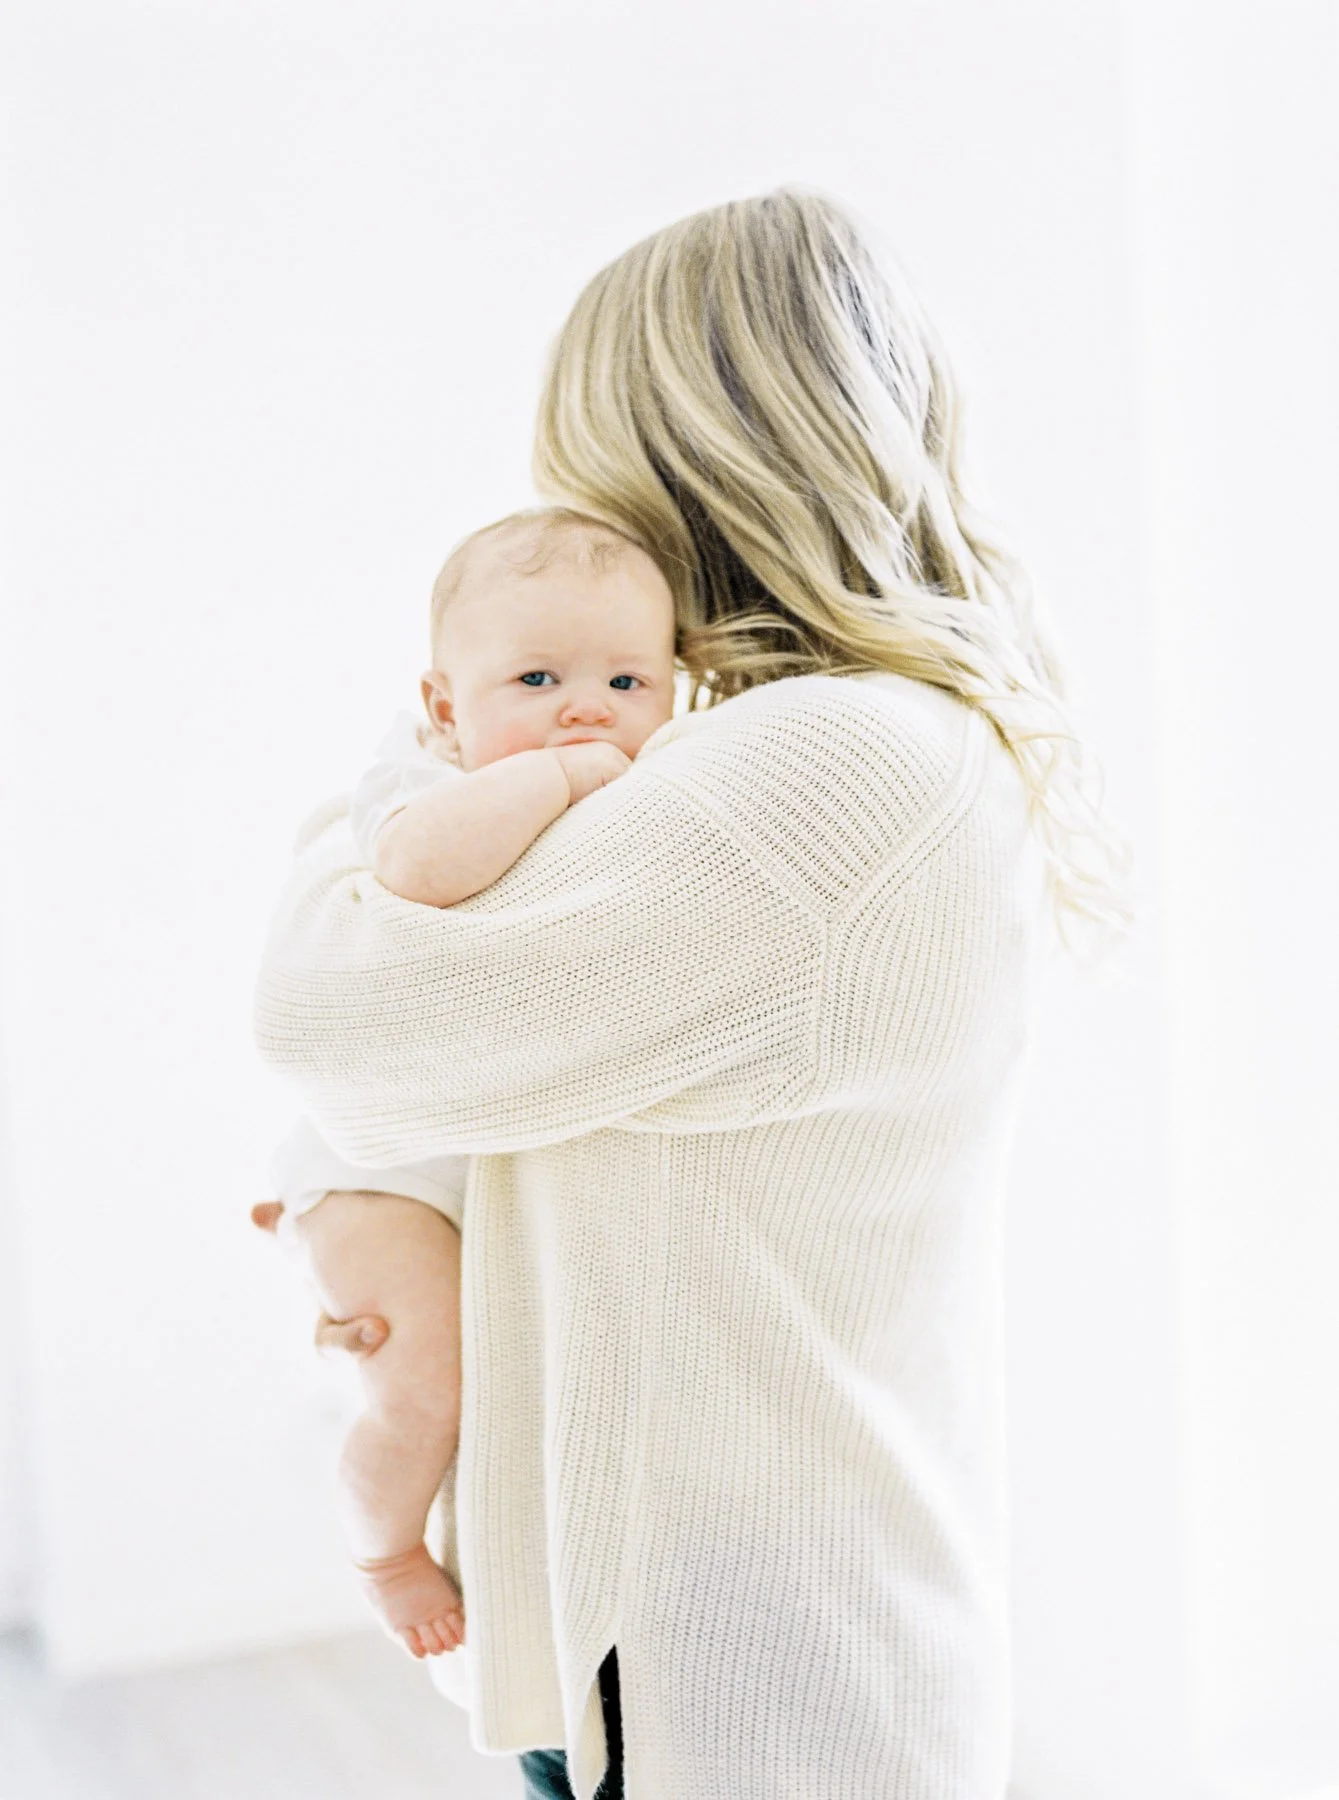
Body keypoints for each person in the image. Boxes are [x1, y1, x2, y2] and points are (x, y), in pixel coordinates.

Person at [252, 186, 1133, 1800]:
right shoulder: (831, 742)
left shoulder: (813, 769)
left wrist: (403, 772)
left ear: (663, 446)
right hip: (753, 1636)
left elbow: (331, 1014)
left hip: (740, 1682)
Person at [255, 505, 680, 1663]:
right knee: (424, 1389)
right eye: (537, 677)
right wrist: (566, 771)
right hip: (379, 1169)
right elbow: (421, 867)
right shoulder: (424, 777)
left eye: (627, 680)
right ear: (447, 706)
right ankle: (384, 1551)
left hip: (475, 1148)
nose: (585, 707)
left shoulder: (660, 778)